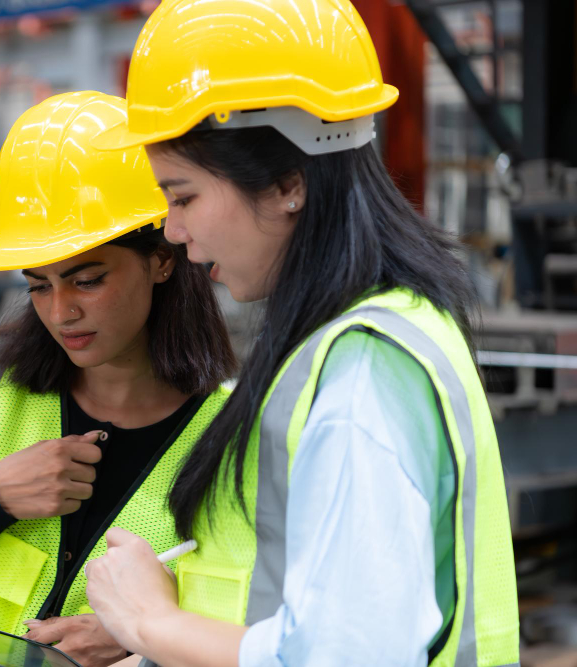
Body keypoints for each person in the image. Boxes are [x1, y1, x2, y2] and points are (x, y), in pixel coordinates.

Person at [83, 1, 520, 665]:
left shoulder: (359, 379)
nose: (171, 230)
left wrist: (151, 621)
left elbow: (349, 654)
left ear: (289, 183)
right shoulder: (377, 330)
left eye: (184, 195)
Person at [0, 90, 237, 667]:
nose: (59, 313)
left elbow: (261, 625)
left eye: (86, 280)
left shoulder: (234, 434)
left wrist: (149, 631)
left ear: (162, 259)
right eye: (38, 284)